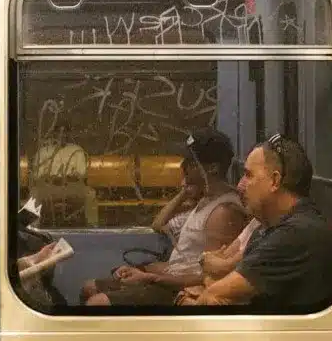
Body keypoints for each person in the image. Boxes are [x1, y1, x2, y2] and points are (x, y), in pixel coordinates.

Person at [82, 129, 248, 307]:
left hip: (180, 289)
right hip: (170, 279)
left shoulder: (223, 212)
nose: (182, 167)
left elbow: (209, 278)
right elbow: (166, 236)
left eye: (190, 163)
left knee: (97, 303)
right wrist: (141, 270)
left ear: (212, 168)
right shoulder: (205, 201)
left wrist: (151, 278)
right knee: (89, 287)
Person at [179, 135, 332, 311]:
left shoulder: (295, 235)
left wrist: (202, 285)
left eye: (248, 175)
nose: (240, 185)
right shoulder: (266, 228)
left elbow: (214, 295)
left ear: (274, 181)